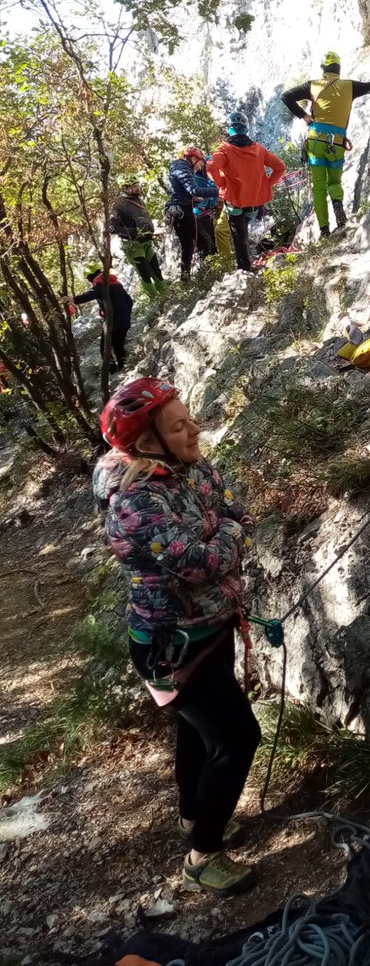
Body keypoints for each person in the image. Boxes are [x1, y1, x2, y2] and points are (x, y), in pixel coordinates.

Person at [93, 378, 260, 895]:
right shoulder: (137, 502)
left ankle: (194, 817)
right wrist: (227, 532)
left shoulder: (194, 469)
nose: (195, 429)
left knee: (197, 732)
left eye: (190, 418)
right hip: (172, 645)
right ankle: (203, 855)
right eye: (179, 426)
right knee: (238, 738)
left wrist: (226, 531)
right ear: (148, 442)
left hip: (208, 627)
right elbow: (200, 562)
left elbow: (240, 510)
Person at [281, 51, 370, 239]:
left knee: (318, 187)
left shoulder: (313, 85)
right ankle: (337, 204)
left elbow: (286, 97)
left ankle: (325, 231)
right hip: (336, 142)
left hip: (315, 140)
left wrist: (305, 116)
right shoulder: (350, 86)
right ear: (338, 69)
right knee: (334, 181)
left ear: (324, 69)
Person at [208, 113, 286, 271]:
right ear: (246, 128)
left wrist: (222, 184)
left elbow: (210, 167)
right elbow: (280, 168)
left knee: (239, 237)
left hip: (235, 201)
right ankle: (248, 263)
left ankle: (244, 269)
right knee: (243, 232)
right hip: (255, 203)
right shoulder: (259, 149)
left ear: (229, 129)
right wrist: (266, 185)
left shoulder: (225, 150)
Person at [63, 267, 134, 374]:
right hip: (125, 320)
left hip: (113, 322)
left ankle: (115, 372)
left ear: (91, 277)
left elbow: (89, 295)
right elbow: (129, 301)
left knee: (105, 349)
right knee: (118, 345)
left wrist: (72, 299)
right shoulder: (116, 283)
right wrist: (125, 313)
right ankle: (124, 367)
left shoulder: (101, 285)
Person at [110, 181, 166, 299]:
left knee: (155, 268)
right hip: (133, 245)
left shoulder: (139, 201)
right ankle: (154, 298)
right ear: (125, 188)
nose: (137, 188)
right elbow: (112, 228)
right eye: (133, 186)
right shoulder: (119, 205)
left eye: (137, 185)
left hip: (147, 242)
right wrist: (132, 232)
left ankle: (165, 293)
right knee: (144, 272)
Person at [167, 147, 211, 280]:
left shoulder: (180, 167)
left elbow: (180, 191)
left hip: (180, 211)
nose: (200, 166)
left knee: (189, 246)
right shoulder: (182, 168)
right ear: (193, 159)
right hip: (182, 212)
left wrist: (193, 199)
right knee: (203, 241)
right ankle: (204, 276)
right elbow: (194, 189)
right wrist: (219, 192)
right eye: (200, 163)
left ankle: (187, 279)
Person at [191, 159, 221, 262]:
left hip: (207, 212)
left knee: (212, 238)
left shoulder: (209, 173)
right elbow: (192, 194)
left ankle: (215, 264)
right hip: (197, 213)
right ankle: (204, 266)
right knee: (204, 240)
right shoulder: (193, 175)